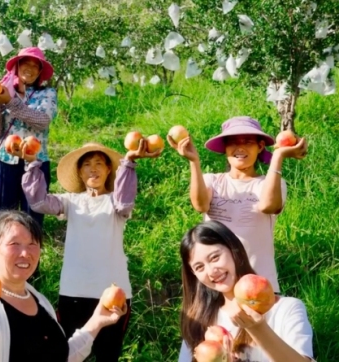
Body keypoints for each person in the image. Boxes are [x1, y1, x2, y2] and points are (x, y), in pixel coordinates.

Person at [17, 140, 160, 361]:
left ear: (109, 169)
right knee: (71, 354)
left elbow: (124, 201)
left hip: (113, 293)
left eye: (99, 163)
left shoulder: (115, 202)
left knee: (108, 355)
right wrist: (32, 164)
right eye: (86, 165)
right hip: (74, 293)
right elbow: (39, 202)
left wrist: (129, 162)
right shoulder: (70, 202)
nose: (93, 169)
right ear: (80, 173)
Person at [0, 210, 126, 362]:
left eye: (33, 244)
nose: (25, 253)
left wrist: (97, 320)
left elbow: (61, 356)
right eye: (14, 244)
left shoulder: (40, 301)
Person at [167, 116, 307, 294]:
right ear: (225, 148)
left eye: (248, 141)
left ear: (260, 146)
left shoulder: (271, 183)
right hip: (217, 283)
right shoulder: (212, 181)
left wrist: (278, 156)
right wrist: (194, 161)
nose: (240, 147)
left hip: (258, 284)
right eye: (232, 142)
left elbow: (268, 206)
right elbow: (200, 205)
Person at [177, 220, 315, 362]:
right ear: (193, 274)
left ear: (233, 249)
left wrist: (257, 328)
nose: (211, 271)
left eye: (215, 257)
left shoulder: (287, 309)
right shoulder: (199, 322)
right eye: (199, 267)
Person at [0, 46, 58, 230]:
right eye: (25, 64)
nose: (29, 69)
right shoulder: (4, 91)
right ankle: (1, 258)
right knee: (1, 221)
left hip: (35, 164)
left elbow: (41, 120)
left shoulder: (47, 94)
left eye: (35, 66)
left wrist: (9, 101)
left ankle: (30, 258)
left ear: (40, 72)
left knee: (32, 220)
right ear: (17, 66)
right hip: (5, 163)